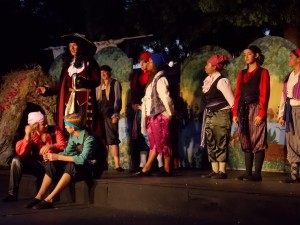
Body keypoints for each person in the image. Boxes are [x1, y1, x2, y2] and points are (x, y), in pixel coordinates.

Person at [25, 113, 102, 209]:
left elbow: (82, 159)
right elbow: (67, 152)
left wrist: (57, 157)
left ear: (73, 128)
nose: (65, 127)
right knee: (52, 163)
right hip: (80, 165)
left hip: (92, 167)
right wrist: (51, 157)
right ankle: (39, 196)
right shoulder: (73, 136)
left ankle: (50, 199)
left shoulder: (89, 138)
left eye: (66, 125)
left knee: (70, 166)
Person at [36, 33, 102, 142]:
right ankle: (71, 152)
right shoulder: (67, 65)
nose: (72, 48)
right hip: (69, 102)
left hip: (84, 102)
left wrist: (85, 83)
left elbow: (97, 80)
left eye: (74, 45)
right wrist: (47, 90)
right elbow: (62, 86)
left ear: (80, 47)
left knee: (84, 128)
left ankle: (86, 152)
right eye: (70, 46)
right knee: (69, 128)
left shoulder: (89, 62)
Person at [2, 111, 67, 202]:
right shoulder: (32, 135)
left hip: (53, 163)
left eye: (46, 123)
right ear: (35, 126)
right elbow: (21, 152)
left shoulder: (55, 130)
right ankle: (12, 194)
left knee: (52, 166)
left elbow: (64, 145)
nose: (46, 126)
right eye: (43, 124)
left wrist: (51, 146)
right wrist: (27, 137)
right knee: (16, 160)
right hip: (38, 164)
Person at [232, 45, 270, 181]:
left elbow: (264, 94)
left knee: (258, 139)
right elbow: (237, 94)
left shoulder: (263, 72)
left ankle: (257, 174)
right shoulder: (241, 73)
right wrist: (235, 113)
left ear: (256, 55)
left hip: (256, 107)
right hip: (243, 109)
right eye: (244, 54)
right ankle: (248, 173)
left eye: (249, 54)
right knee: (245, 139)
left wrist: (261, 113)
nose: (246, 57)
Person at [135, 53, 174, 176]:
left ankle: (166, 168)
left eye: (151, 62)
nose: (148, 64)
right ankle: (147, 168)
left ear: (156, 65)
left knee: (163, 142)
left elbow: (165, 98)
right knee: (155, 143)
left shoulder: (161, 79)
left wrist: (169, 113)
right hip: (153, 115)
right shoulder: (153, 78)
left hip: (161, 115)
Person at [200, 54, 234, 179]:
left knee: (220, 141)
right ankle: (214, 170)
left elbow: (232, 102)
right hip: (209, 114)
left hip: (221, 114)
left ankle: (222, 171)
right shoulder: (209, 80)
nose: (205, 67)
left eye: (208, 64)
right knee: (211, 141)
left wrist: (234, 117)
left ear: (214, 67)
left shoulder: (221, 81)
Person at [130, 52, 164, 173]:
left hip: (151, 109)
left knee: (153, 135)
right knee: (141, 133)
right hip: (140, 109)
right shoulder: (138, 75)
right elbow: (134, 92)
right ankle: (143, 162)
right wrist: (134, 105)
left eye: (146, 62)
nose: (143, 64)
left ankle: (159, 164)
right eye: (141, 62)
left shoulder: (154, 76)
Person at [96, 65, 124, 171]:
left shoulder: (115, 83)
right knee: (103, 140)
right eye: (101, 72)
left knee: (112, 139)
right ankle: (105, 163)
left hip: (110, 114)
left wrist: (115, 114)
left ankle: (117, 165)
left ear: (109, 73)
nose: (102, 74)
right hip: (100, 116)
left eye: (104, 72)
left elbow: (117, 100)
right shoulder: (98, 86)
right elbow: (97, 102)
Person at [278, 48, 300, 183]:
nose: (289, 59)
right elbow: (284, 97)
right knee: (291, 141)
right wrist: (281, 115)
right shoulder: (289, 76)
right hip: (290, 110)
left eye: (291, 56)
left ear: (299, 59)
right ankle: (294, 175)